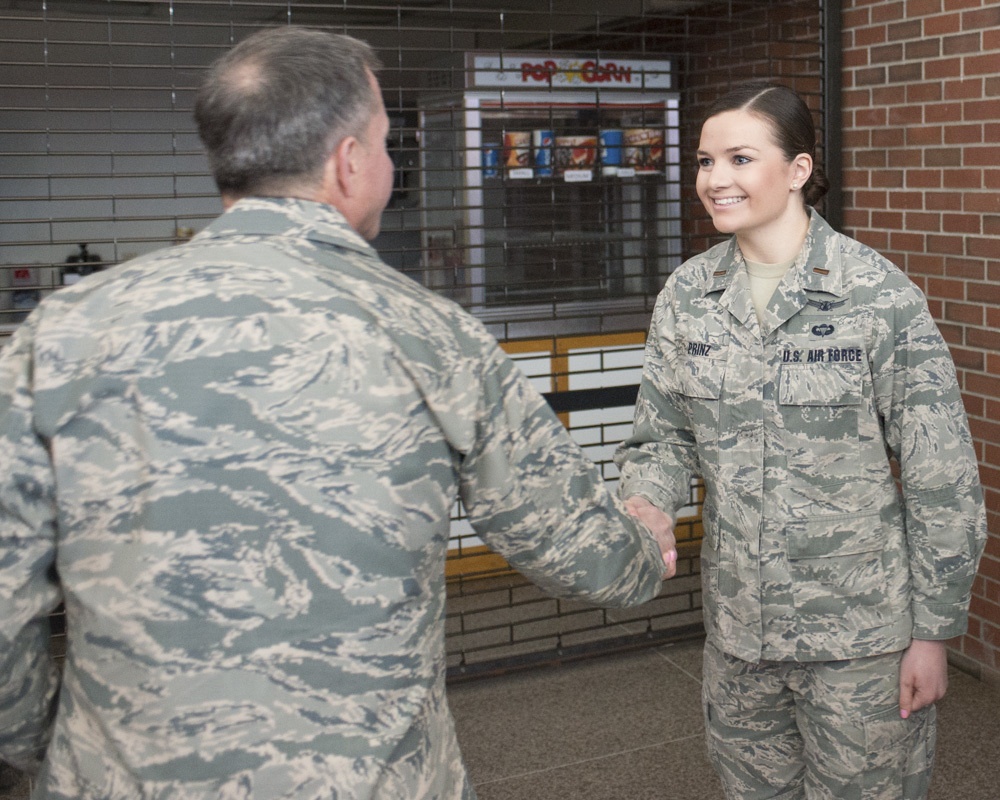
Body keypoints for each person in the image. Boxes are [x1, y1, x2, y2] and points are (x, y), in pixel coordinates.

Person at [0, 26, 678, 799]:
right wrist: (643, 544)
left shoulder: (61, 330)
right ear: (349, 163)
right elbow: (586, 555)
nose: (390, 164)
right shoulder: (431, 336)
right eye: (388, 143)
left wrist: (45, 741)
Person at [616, 81, 987, 799]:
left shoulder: (875, 295)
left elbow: (942, 476)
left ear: (797, 170)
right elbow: (661, 437)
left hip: (862, 646)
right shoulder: (688, 296)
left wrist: (934, 634)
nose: (716, 179)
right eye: (703, 161)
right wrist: (647, 501)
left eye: (740, 158)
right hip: (738, 640)